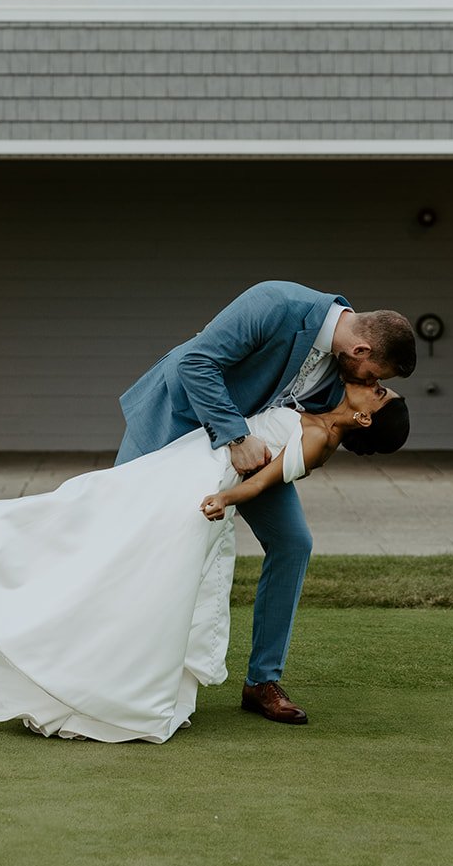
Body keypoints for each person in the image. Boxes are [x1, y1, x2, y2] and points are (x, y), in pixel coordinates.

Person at [0, 365, 407, 744]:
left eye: (380, 391)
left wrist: (223, 500)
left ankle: (109, 673)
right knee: (94, 508)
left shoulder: (319, 439)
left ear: (364, 417)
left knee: (133, 550)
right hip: (189, 455)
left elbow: (261, 482)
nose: (374, 381)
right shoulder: (319, 408)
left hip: (204, 479)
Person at [116, 281, 414, 723]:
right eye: (374, 378)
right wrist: (236, 437)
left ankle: (262, 682)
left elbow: (327, 424)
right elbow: (197, 363)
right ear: (362, 351)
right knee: (121, 541)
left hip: (248, 458)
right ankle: (116, 665)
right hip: (178, 424)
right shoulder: (275, 303)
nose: (370, 384)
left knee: (293, 542)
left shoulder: (342, 366)